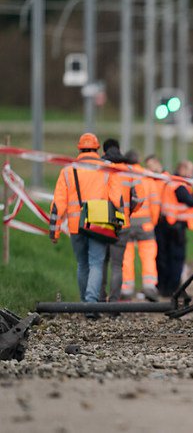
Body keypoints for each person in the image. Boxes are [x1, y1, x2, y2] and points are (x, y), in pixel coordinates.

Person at [49, 133, 122, 317]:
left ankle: (85, 304)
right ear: (97, 149)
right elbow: (117, 199)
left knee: (82, 264)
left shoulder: (68, 170)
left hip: (76, 225)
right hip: (99, 224)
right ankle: (91, 304)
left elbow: (59, 204)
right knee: (96, 263)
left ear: (79, 149)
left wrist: (55, 231)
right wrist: (119, 223)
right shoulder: (107, 168)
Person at [120, 150, 160, 301]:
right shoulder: (148, 177)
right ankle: (149, 286)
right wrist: (153, 222)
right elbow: (155, 203)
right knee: (148, 256)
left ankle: (126, 287)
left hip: (126, 223)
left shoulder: (121, 175)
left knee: (126, 256)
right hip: (145, 224)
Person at [156, 160, 193, 296]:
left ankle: (165, 288)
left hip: (167, 225)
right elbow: (191, 202)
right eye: (191, 170)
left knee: (165, 258)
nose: (192, 174)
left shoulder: (171, 182)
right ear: (183, 170)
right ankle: (173, 289)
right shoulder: (179, 185)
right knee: (176, 259)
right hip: (175, 227)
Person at [100, 138, 127, 304]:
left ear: (104, 151)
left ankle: (101, 299)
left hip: (101, 221)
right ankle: (115, 302)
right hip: (123, 223)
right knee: (117, 265)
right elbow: (138, 198)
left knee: (101, 262)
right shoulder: (129, 170)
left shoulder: (100, 169)